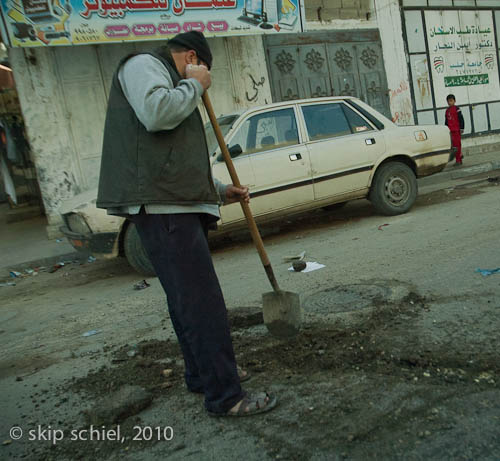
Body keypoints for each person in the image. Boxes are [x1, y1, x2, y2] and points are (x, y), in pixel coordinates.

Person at [96, 31, 276, 417]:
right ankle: (226, 395)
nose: (202, 81)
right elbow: (157, 114)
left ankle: (201, 375)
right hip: (164, 209)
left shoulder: (167, 79)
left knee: (185, 301)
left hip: (169, 204)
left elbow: (173, 155)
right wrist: (196, 83)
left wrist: (218, 189)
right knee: (202, 302)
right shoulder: (145, 64)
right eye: (203, 70)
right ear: (192, 56)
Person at [445, 94, 465, 165]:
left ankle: (458, 160)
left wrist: (462, 128)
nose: (450, 102)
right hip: (450, 131)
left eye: (451, 101)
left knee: (457, 146)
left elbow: (461, 119)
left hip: (456, 130)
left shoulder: (457, 109)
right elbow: (446, 121)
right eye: (448, 101)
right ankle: (460, 155)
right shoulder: (447, 111)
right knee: (453, 146)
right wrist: (446, 129)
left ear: (454, 101)